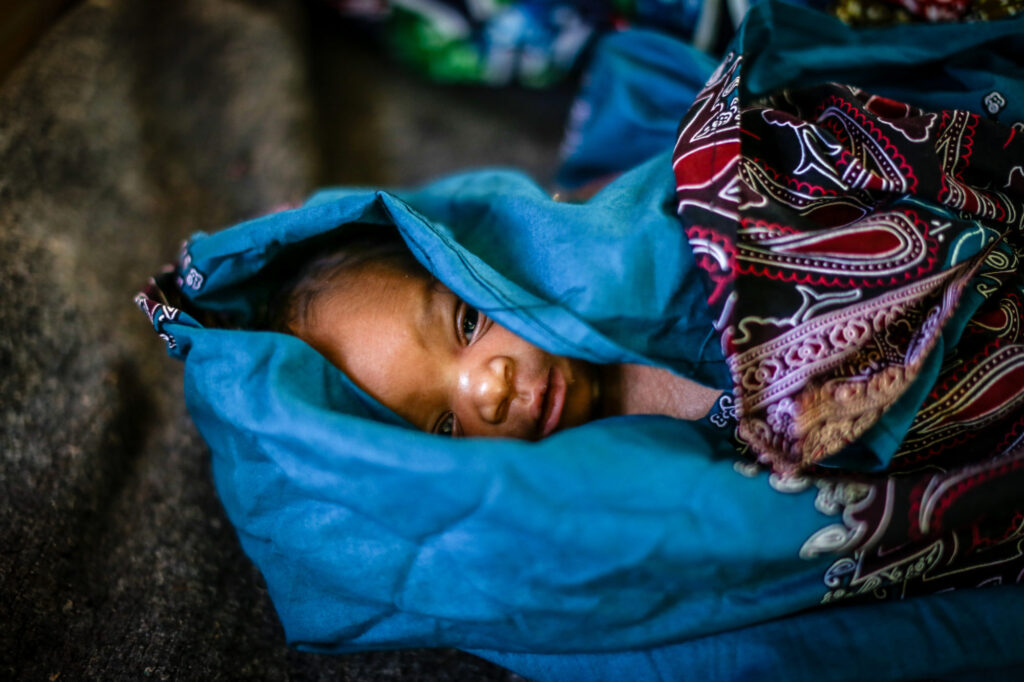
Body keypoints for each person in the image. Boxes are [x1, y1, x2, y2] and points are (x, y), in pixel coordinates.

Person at [267, 226, 722, 440]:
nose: (491, 388)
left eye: (468, 322)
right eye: (445, 429)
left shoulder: (635, 257)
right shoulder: (603, 498)